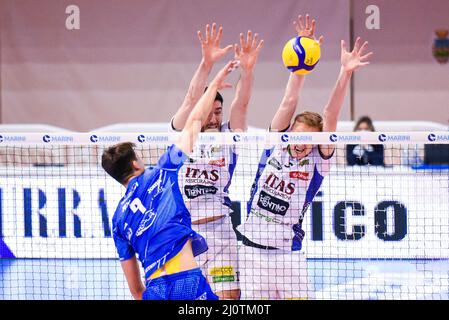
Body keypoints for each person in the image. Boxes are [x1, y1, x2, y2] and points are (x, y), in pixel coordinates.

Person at [237, 14, 373, 299]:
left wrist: (345, 72)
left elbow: (331, 114)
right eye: (297, 136)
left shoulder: (318, 162)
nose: (300, 144)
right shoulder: (275, 144)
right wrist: (302, 58)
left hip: (289, 256)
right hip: (250, 252)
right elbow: (289, 100)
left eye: (307, 140)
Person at [101, 60, 239, 300]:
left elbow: (136, 291)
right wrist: (214, 79)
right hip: (186, 281)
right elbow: (194, 121)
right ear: (135, 163)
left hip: (155, 289)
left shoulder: (118, 220)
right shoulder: (162, 174)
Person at [169, 23, 263, 299]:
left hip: (220, 234)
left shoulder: (228, 137)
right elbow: (190, 98)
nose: (214, 118)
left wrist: (247, 71)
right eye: (210, 111)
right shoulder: (184, 133)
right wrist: (207, 63)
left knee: (229, 298)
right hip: (184, 236)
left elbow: (242, 105)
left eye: (218, 112)